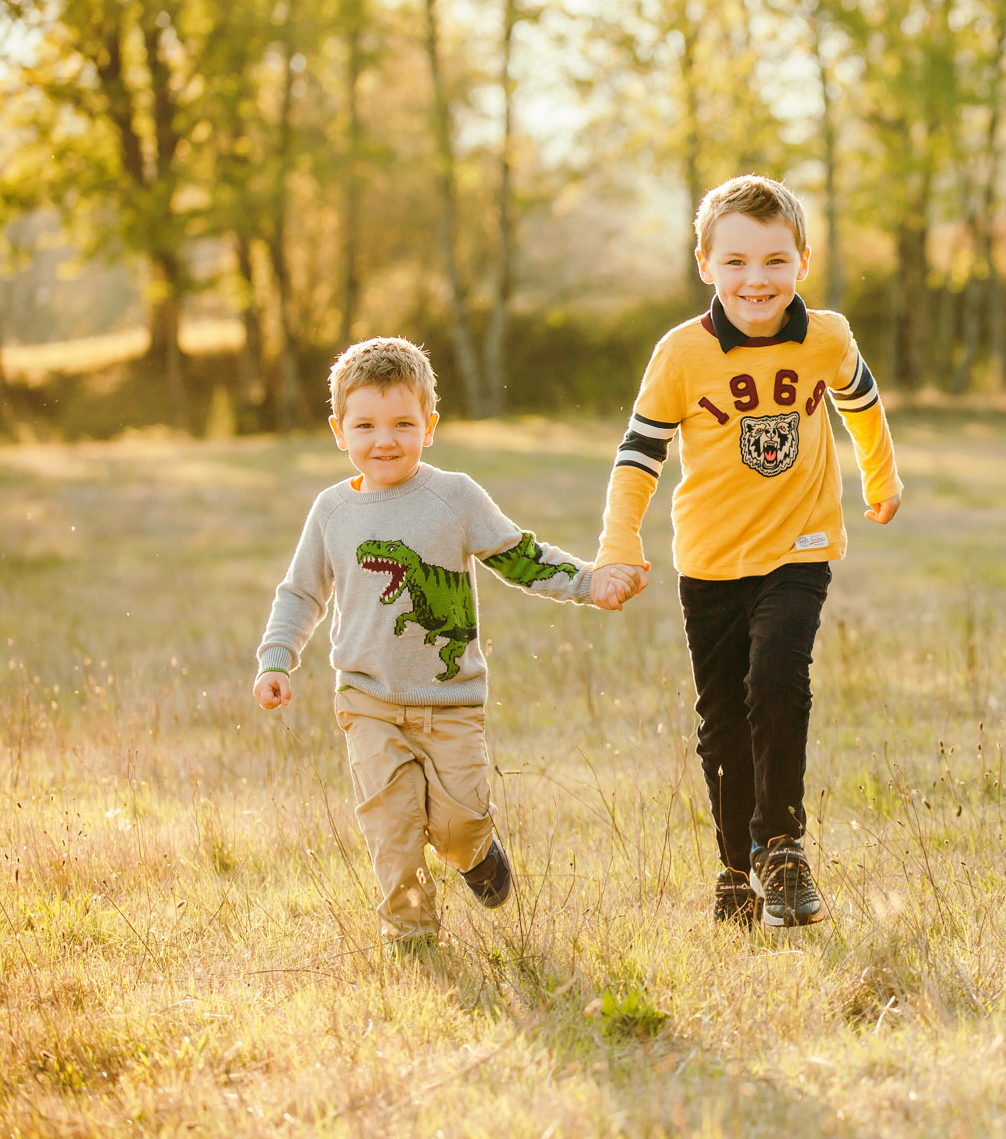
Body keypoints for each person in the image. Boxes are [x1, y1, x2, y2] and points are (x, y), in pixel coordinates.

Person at [589, 175, 901, 928]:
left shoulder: (826, 335)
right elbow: (639, 454)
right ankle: (736, 868)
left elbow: (862, 404)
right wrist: (617, 540)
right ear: (705, 264)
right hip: (708, 558)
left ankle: (785, 849)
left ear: (802, 260)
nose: (754, 279)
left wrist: (882, 477)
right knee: (722, 719)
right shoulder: (680, 354)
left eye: (772, 260)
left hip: (799, 546)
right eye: (734, 262)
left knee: (776, 679)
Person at [253, 337, 598, 949]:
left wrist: (588, 582)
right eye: (365, 425)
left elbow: (515, 557)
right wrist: (277, 659)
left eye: (402, 424)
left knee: (458, 826)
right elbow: (301, 593)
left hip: (451, 701)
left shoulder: (455, 496)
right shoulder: (332, 511)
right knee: (392, 828)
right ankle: (411, 938)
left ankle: (476, 853)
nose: (383, 440)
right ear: (338, 430)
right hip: (368, 702)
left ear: (429, 426)